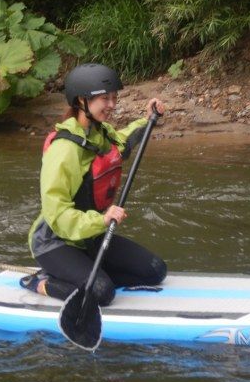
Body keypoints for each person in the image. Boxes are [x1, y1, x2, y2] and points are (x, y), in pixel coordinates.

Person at [24, 63, 167, 305]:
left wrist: (149, 119)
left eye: (114, 98)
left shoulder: (98, 132)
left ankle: (87, 274)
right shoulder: (64, 151)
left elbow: (122, 143)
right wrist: (101, 220)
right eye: (105, 99)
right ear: (81, 100)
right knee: (101, 292)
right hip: (55, 242)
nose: (112, 105)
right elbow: (57, 215)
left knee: (155, 270)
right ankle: (41, 281)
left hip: (88, 236)